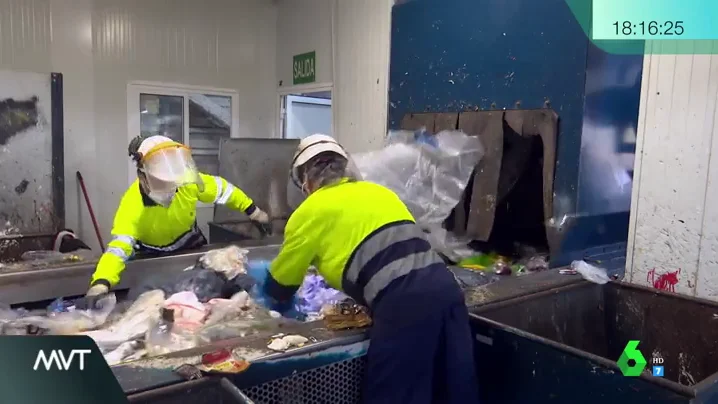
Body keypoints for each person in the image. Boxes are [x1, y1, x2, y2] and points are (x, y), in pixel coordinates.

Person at [247, 134, 480, 404]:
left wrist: (254, 286)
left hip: (403, 304)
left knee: (393, 394)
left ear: (305, 181)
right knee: (452, 388)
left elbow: (280, 287)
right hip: (447, 290)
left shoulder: (308, 212)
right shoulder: (380, 192)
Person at [81, 135, 272, 306]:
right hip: (151, 256)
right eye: (162, 183)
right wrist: (101, 282)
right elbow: (119, 248)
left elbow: (224, 190)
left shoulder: (187, 185)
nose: (170, 190)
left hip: (191, 246)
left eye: (173, 184)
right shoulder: (132, 204)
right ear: (143, 177)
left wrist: (254, 211)